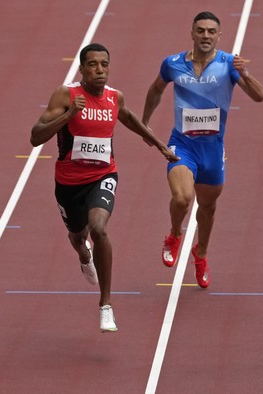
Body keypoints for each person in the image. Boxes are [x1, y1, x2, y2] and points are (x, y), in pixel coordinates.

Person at [31, 43, 179, 332]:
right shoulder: (66, 95)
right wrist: (68, 115)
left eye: (104, 65)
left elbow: (127, 116)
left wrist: (159, 144)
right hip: (69, 184)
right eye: (93, 65)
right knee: (78, 236)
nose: (99, 70)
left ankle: (106, 305)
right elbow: (35, 137)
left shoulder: (114, 97)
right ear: (82, 68)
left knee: (99, 229)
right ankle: (84, 256)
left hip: (103, 176)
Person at [142, 11, 263, 288]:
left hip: (212, 149)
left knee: (207, 207)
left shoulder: (229, 64)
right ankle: (175, 234)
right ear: (192, 33)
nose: (206, 35)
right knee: (183, 198)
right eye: (201, 30)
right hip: (182, 144)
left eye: (211, 31)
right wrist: (145, 123)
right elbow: (156, 89)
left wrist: (245, 73)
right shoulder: (172, 63)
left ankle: (202, 254)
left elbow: (259, 96)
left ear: (219, 35)